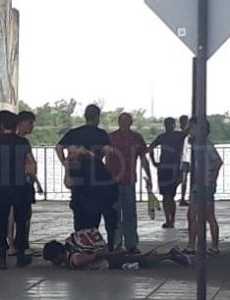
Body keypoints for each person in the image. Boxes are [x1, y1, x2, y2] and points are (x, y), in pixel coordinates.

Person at [55, 105, 118, 242]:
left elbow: (58, 147)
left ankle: (80, 243)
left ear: (85, 116)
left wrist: (65, 162)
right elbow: (108, 152)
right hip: (96, 179)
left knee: (79, 214)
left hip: (77, 177)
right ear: (97, 117)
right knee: (94, 215)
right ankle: (92, 243)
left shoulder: (74, 132)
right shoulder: (101, 134)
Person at [0, 110, 36, 270]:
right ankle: (21, 256)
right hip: (20, 187)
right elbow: (31, 164)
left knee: (1, 222)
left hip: (2, 188)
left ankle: (1, 258)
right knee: (21, 221)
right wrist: (31, 178)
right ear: (15, 126)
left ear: (2, 125)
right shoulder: (23, 142)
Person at [108, 112, 152, 253]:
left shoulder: (137, 138)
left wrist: (149, 176)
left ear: (131, 122)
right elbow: (106, 159)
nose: (124, 123)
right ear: (118, 122)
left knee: (130, 213)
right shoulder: (111, 138)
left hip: (129, 180)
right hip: (114, 182)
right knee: (115, 213)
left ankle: (131, 244)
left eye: (126, 120)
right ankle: (116, 243)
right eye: (122, 120)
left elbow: (143, 159)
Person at [42, 230, 190, 270]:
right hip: (109, 258)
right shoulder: (70, 243)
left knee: (141, 261)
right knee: (139, 259)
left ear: (57, 256)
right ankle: (166, 255)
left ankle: (170, 255)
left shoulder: (74, 259)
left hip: (110, 261)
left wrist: (115, 253)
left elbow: (95, 256)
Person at [185, 117, 223, 256]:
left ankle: (193, 245)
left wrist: (211, 178)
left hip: (203, 184)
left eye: (192, 127)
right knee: (206, 215)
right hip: (202, 184)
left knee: (195, 214)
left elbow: (218, 161)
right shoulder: (199, 144)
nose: (190, 130)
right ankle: (212, 246)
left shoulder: (204, 144)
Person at [8, 110, 44, 256]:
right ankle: (23, 245)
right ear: (21, 123)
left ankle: (11, 245)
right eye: (30, 123)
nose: (32, 126)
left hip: (8, 183)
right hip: (23, 184)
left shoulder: (6, 140)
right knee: (24, 215)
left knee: (12, 214)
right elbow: (30, 165)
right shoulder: (23, 142)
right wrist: (36, 182)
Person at [148, 117, 186, 228]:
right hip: (166, 168)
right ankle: (169, 219)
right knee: (166, 195)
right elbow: (150, 148)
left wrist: (154, 162)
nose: (168, 126)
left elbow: (150, 148)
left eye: (170, 124)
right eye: (167, 124)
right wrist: (154, 162)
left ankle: (171, 219)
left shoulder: (177, 135)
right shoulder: (164, 137)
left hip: (171, 168)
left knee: (169, 195)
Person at [178, 114, 191, 207]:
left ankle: (183, 198)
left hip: (185, 158)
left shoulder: (186, 134)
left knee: (184, 180)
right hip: (181, 159)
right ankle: (181, 198)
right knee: (181, 179)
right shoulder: (181, 134)